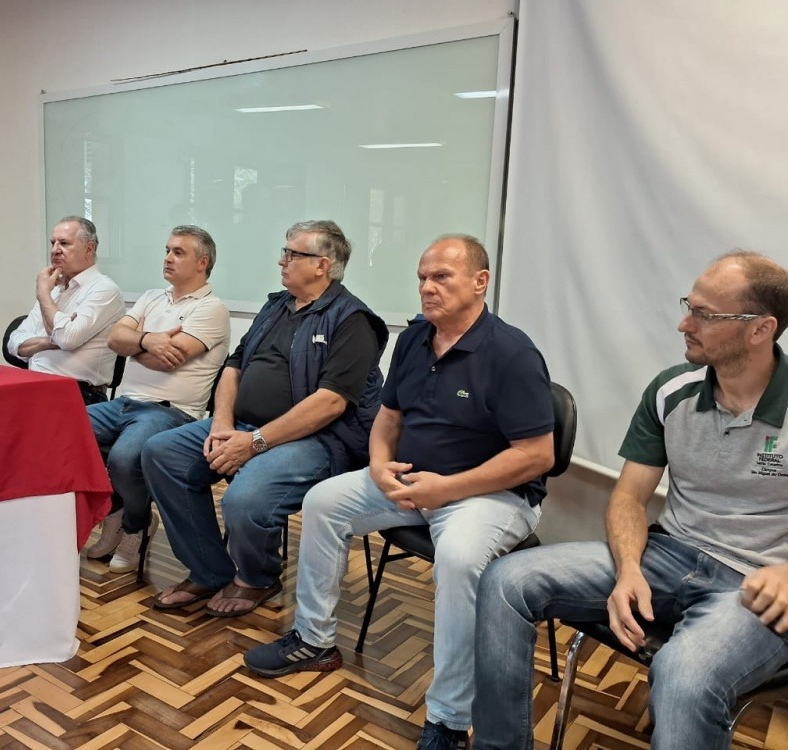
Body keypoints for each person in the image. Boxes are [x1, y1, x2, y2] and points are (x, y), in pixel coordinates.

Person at [243, 234, 556, 750]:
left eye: (442, 277)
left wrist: (447, 488)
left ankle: (448, 720)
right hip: (413, 480)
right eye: (422, 278)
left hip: (491, 496)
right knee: (322, 502)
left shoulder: (512, 353)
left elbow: (537, 455)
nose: (427, 288)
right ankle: (315, 641)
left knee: (458, 558)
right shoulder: (414, 339)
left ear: (480, 282)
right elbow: (388, 418)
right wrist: (380, 466)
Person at [471, 251, 788, 750]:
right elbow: (629, 498)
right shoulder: (671, 391)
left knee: (683, 675)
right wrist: (628, 570)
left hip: (755, 584)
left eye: (705, 314)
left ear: (760, 329)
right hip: (669, 555)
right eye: (689, 306)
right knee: (506, 581)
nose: (685, 323)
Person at [142, 220, 389, 617]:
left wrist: (255, 442)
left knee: (245, 498)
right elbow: (234, 366)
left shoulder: (352, 320)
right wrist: (222, 424)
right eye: (284, 251)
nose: (281, 260)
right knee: (162, 452)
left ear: (322, 265)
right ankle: (208, 569)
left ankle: (257, 577)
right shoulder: (277, 306)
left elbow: (330, 403)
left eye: (292, 254)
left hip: (318, 441)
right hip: (242, 426)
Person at [84, 225, 230, 572]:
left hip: (171, 412)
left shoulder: (212, 308)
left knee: (124, 458)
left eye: (178, 252)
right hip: (123, 404)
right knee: (63, 431)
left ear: (202, 262)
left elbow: (169, 360)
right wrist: (148, 341)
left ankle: (136, 524)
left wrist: (134, 343)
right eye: (167, 250)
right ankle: (116, 510)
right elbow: (115, 339)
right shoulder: (152, 296)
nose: (167, 258)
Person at [6, 216, 124, 406]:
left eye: (64, 243)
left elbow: (67, 339)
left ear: (89, 249)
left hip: (79, 393)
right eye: (53, 243)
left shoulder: (104, 289)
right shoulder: (55, 290)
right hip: (36, 385)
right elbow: (14, 343)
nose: (55, 250)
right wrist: (49, 341)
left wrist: (43, 294)